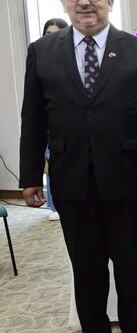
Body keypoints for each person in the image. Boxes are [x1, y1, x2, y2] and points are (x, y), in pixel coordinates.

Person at [19, 0, 137, 333]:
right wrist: (31, 176)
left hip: (128, 177)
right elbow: (34, 118)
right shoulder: (41, 51)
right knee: (86, 266)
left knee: (131, 264)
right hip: (70, 179)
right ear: (63, 2)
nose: (84, 1)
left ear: (109, 0)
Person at [41, 18, 69, 222]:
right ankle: (53, 205)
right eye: (48, 34)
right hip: (50, 127)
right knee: (51, 165)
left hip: (70, 128)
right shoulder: (40, 59)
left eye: (56, 33)